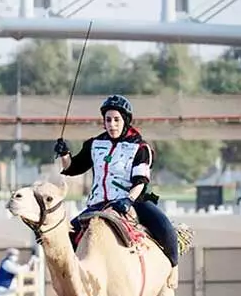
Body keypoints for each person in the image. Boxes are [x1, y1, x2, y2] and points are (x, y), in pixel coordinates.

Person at [53, 94, 178, 267]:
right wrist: (64, 154)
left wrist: (128, 200)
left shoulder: (140, 147)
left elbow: (140, 181)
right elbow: (72, 168)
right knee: (67, 235)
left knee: (165, 228)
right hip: (98, 204)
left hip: (130, 202)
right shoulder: (94, 144)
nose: (112, 125)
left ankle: (173, 266)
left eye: (116, 120)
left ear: (125, 120)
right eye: (108, 120)